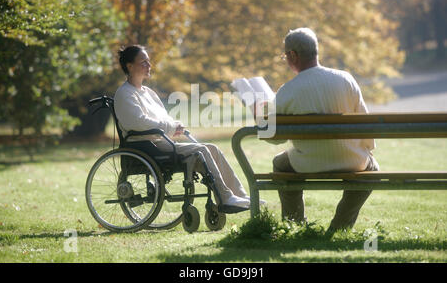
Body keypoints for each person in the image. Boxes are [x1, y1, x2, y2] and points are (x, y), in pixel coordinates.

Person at [113, 45, 250, 212]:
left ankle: (240, 196)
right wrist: (169, 127)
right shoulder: (124, 94)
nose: (149, 65)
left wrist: (175, 125)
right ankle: (226, 198)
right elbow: (138, 122)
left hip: (160, 141)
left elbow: (163, 118)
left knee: (211, 148)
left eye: (149, 61)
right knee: (201, 150)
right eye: (143, 62)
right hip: (146, 146)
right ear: (130, 66)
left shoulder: (148, 92)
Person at [268, 28, 379, 231]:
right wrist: (366, 150)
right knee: (373, 170)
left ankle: (295, 226)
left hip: (306, 163)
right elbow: (365, 123)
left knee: (279, 164)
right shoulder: (346, 79)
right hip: (352, 161)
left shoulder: (287, 90)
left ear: (293, 55)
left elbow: (273, 137)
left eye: (285, 56)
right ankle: (340, 227)